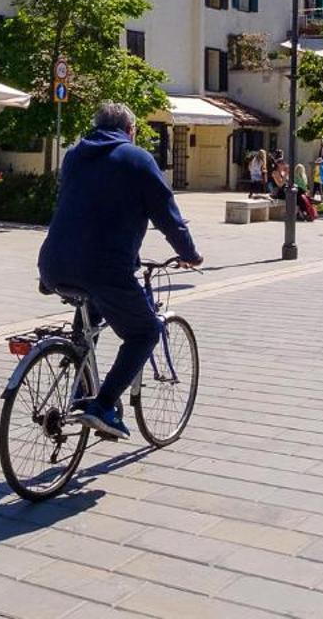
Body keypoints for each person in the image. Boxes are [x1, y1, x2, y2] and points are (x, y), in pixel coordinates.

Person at [37, 103, 201, 442]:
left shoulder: (73, 156)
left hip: (54, 264)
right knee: (145, 332)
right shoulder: (137, 159)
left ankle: (80, 387)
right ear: (130, 130)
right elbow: (167, 215)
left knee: (89, 320)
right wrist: (190, 254)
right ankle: (103, 405)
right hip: (105, 268)